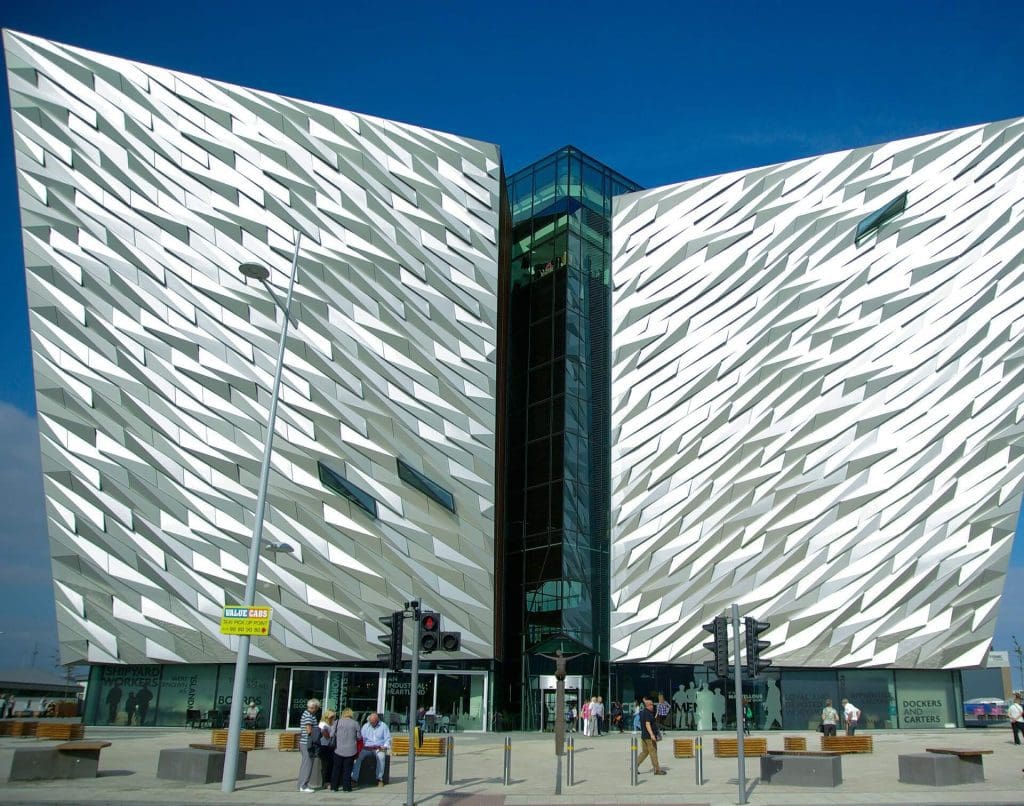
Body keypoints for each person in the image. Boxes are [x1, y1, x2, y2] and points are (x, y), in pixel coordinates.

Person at [352, 711, 391, 788]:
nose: (372, 724)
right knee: (358, 758)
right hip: (367, 748)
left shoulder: (384, 726)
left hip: (379, 748)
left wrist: (385, 746)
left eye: (373, 722)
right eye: (371, 722)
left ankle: (379, 779)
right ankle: (354, 779)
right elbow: (362, 738)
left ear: (377, 720)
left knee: (381, 757)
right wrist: (361, 746)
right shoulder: (366, 726)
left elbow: (388, 738)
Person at [331, 707, 361, 792]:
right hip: (351, 750)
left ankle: (334, 787)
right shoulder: (355, 723)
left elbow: (331, 734)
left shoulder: (337, 722)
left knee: (336, 769)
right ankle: (346, 788)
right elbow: (359, 737)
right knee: (347, 770)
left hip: (338, 749)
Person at [635, 697, 666, 775]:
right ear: (648, 705)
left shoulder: (642, 712)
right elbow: (647, 724)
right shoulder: (648, 713)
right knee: (653, 752)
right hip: (649, 737)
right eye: (652, 704)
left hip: (644, 736)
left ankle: (634, 765)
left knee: (645, 752)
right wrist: (652, 735)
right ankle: (657, 770)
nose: (653, 705)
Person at [296, 698, 321, 792]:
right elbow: (309, 729)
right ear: (314, 707)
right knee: (308, 764)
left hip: (304, 742)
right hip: (307, 742)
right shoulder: (309, 715)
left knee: (305, 764)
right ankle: (304, 785)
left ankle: (301, 784)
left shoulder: (306, 714)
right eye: (317, 708)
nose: (317, 710)